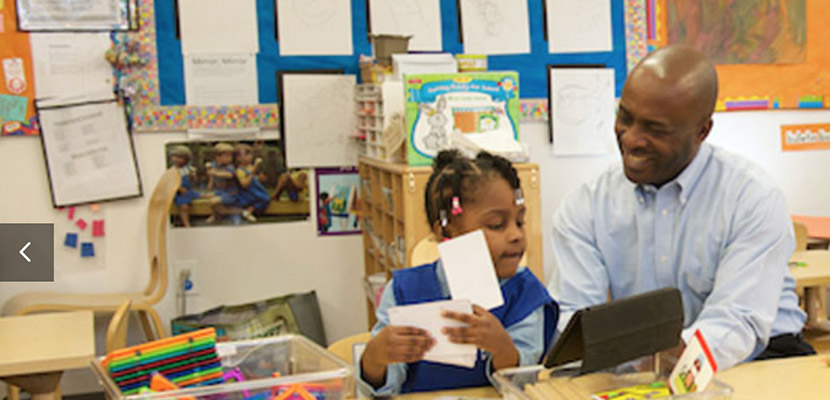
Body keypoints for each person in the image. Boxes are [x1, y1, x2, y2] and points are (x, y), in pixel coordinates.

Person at [549, 45, 813, 371]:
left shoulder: (751, 197)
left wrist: (669, 363)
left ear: (702, 132)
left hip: (758, 357)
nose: (632, 139)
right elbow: (574, 317)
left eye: (655, 129)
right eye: (625, 117)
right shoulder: (585, 206)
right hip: (643, 364)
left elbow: (737, 319)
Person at [358, 150, 559, 395]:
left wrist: (502, 347)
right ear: (447, 232)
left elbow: (523, 383)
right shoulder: (404, 291)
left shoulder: (526, 295)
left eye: (520, 222)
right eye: (497, 224)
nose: (516, 235)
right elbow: (383, 385)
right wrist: (375, 358)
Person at [234, 143, 270, 222]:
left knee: (265, 198)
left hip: (256, 191)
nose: (250, 156)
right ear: (238, 158)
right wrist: (254, 169)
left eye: (250, 154)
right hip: (248, 193)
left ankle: (249, 211)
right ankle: (248, 211)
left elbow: (254, 179)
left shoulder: (250, 167)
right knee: (265, 199)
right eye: (246, 154)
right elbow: (245, 184)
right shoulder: (239, 171)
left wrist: (259, 178)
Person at [204, 142, 238, 224]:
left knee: (213, 201)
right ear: (217, 157)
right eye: (226, 156)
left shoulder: (230, 167)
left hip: (230, 193)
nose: (229, 158)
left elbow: (229, 175)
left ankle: (215, 216)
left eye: (230, 156)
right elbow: (210, 171)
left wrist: (214, 173)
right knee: (205, 196)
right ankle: (219, 213)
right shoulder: (215, 165)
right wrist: (211, 182)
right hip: (220, 191)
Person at [169, 145, 201, 227]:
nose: (176, 159)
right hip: (179, 193)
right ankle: (186, 223)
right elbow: (170, 183)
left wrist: (193, 177)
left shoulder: (189, 169)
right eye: (175, 157)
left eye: (180, 157)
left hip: (188, 190)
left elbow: (194, 181)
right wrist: (178, 188)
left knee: (202, 196)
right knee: (184, 206)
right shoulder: (173, 170)